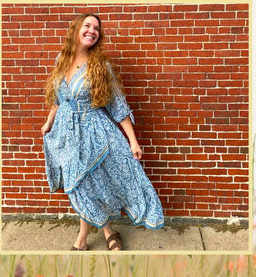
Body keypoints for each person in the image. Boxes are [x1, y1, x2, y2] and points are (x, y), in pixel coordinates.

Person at [41, 13, 164, 251]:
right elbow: (58, 100)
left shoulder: (100, 65)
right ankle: (108, 232)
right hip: (68, 134)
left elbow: (118, 104)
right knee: (80, 185)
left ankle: (83, 238)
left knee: (88, 184)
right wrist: (48, 123)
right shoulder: (61, 60)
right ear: (76, 29)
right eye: (87, 25)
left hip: (94, 133)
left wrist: (133, 142)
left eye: (96, 28)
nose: (92, 30)